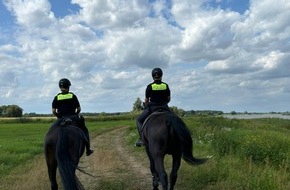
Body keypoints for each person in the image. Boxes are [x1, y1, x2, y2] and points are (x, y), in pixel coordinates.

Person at [52, 78, 94, 156]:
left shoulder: (57, 97)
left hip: (61, 119)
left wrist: (59, 116)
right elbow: (79, 109)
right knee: (84, 129)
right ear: (68, 87)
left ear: (60, 87)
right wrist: (76, 114)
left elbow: (54, 111)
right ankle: (88, 149)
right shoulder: (72, 96)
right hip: (73, 117)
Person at [135, 68, 171, 147]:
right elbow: (168, 99)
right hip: (165, 107)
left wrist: (146, 105)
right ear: (161, 75)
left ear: (152, 76)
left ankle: (141, 139)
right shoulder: (165, 85)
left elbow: (146, 100)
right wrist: (163, 103)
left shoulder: (150, 86)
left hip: (153, 108)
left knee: (139, 120)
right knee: (175, 119)